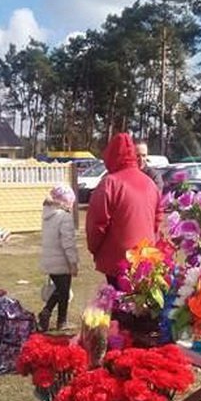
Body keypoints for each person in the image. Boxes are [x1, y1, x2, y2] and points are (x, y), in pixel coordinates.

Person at [86, 133, 162, 287]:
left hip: (117, 260)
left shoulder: (109, 183)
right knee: (141, 299)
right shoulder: (150, 183)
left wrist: (95, 249)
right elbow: (157, 219)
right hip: (145, 256)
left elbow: (96, 225)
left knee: (118, 299)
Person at [38, 185, 79, 332]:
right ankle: (60, 320)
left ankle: (48, 314)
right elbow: (68, 242)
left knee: (61, 290)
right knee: (63, 291)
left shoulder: (48, 215)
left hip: (50, 259)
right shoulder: (64, 217)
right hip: (61, 260)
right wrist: (73, 262)